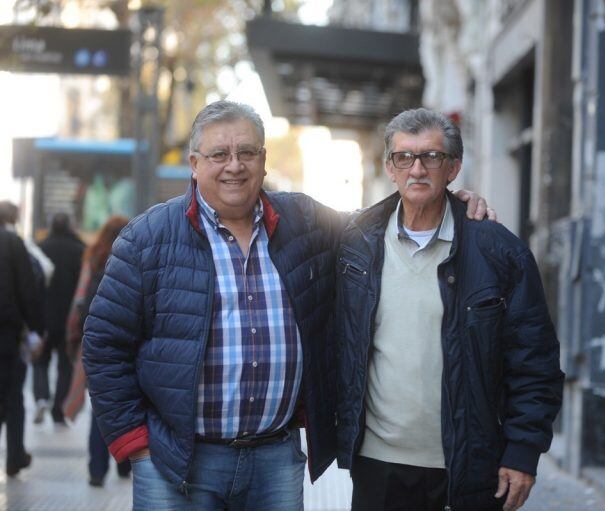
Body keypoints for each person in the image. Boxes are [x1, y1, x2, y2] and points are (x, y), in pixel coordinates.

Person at [82, 100, 491, 509]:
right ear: (194, 163)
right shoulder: (146, 239)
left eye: (246, 152)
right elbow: (103, 343)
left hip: (275, 459)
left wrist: (447, 202)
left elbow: (374, 227)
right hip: (178, 462)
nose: (234, 166)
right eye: (219, 155)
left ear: (263, 159)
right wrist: (136, 445)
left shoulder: (305, 221)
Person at [335, 108, 564, 511]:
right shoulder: (356, 245)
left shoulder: (498, 252)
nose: (417, 169)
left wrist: (522, 452)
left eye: (431, 157)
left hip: (470, 465)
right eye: (404, 157)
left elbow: (535, 362)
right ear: (390, 167)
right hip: (377, 463)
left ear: (453, 168)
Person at [67, 216, 132, 486]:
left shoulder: (93, 257)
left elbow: (81, 296)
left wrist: (74, 330)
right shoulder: (132, 256)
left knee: (100, 406)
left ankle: (96, 469)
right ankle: (124, 463)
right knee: (128, 405)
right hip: (127, 341)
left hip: (96, 339)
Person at [0, 204, 44, 478]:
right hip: (6, 332)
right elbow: (27, 289)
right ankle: (15, 455)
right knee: (13, 396)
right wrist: (36, 329)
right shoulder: (12, 243)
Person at [36, 212, 85, 424]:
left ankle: (41, 397)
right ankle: (59, 410)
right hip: (69, 320)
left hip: (43, 318)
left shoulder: (40, 248)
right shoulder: (79, 250)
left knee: (40, 360)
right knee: (65, 365)